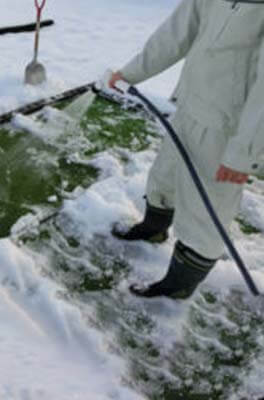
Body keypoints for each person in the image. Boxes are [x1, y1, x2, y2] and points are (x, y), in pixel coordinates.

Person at [108, 0, 264, 299]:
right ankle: (153, 228)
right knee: (164, 177)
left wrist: (242, 155)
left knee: (205, 212)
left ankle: (179, 285)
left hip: (227, 127)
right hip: (190, 103)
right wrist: (130, 73)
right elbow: (175, 33)